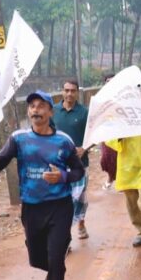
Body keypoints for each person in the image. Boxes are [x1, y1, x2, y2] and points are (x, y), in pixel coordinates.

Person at [0, 90, 85, 280]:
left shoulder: (63, 141)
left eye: (40, 106)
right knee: (38, 258)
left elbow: (79, 171)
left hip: (59, 206)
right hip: (32, 208)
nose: (35, 110)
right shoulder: (19, 139)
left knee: (55, 258)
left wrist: (62, 176)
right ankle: (55, 266)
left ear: (50, 111)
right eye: (32, 106)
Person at [52, 79, 90, 240]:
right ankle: (64, 234)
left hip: (80, 164)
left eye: (73, 91)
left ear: (77, 92)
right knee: (61, 198)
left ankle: (81, 223)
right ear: (62, 91)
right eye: (66, 90)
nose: (69, 94)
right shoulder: (53, 111)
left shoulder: (84, 113)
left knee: (80, 197)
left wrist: (85, 148)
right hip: (58, 164)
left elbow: (93, 134)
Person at [100, 75, 117, 190]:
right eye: (107, 81)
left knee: (119, 157)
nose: (110, 83)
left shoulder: (123, 97)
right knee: (106, 157)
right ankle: (110, 178)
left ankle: (120, 181)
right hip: (106, 132)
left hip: (120, 132)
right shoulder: (101, 98)